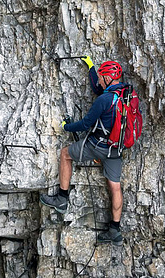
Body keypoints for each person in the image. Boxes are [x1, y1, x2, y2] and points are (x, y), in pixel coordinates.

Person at [40, 57, 125, 246]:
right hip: (116, 149)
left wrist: (67, 126)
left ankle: (61, 198)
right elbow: (97, 87)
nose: (100, 81)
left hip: (98, 147)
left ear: (109, 78)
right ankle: (115, 230)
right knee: (115, 187)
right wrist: (91, 67)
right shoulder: (126, 94)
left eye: (102, 77)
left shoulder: (104, 100)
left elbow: (86, 123)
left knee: (65, 154)